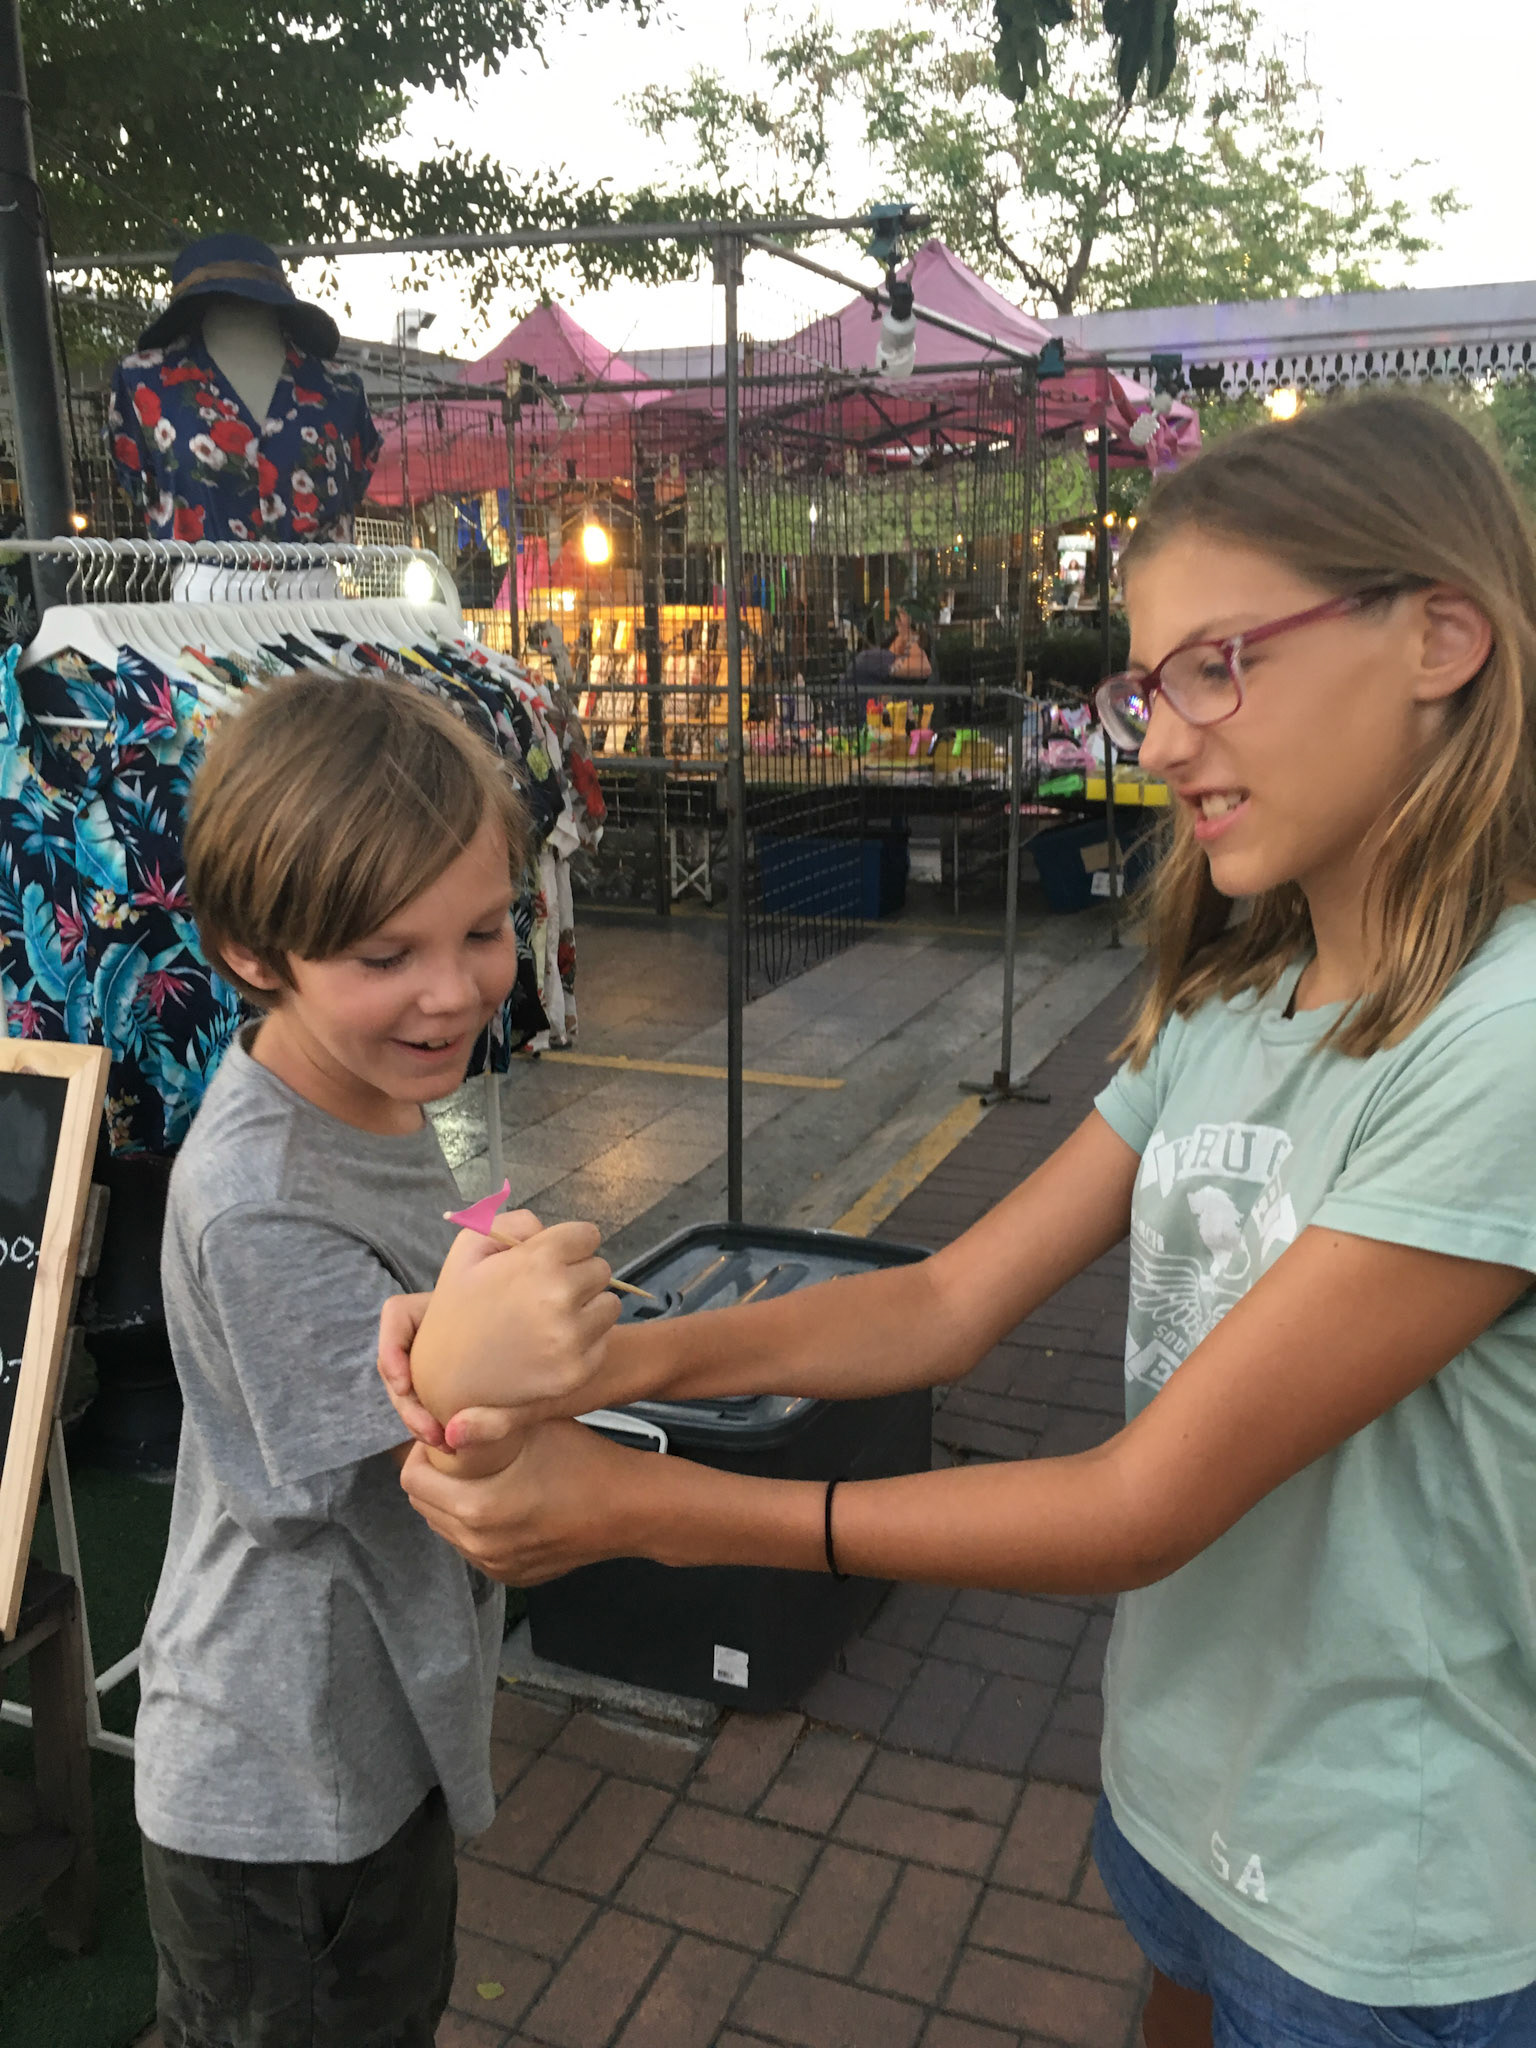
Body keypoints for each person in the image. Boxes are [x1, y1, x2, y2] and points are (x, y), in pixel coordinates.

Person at [379, 393, 1536, 2047]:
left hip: (1397, 1886)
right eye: (1150, 687)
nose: (1161, 741)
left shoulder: (1502, 1040)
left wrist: (663, 1509)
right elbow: (944, 1304)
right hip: (1193, 1779)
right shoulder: (1241, 991)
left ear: (1442, 637)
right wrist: (602, 1363)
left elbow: (1139, 1504)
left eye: (1220, 666)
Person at [136, 673, 613, 2048]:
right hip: (281, 1783)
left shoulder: (420, 1090)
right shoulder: (256, 1195)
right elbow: (387, 1453)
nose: (453, 992)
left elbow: (467, 1229)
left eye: (485, 930)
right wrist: (499, 1361)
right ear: (254, 950)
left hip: (382, 1723)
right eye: (384, 955)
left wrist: (502, 1281)